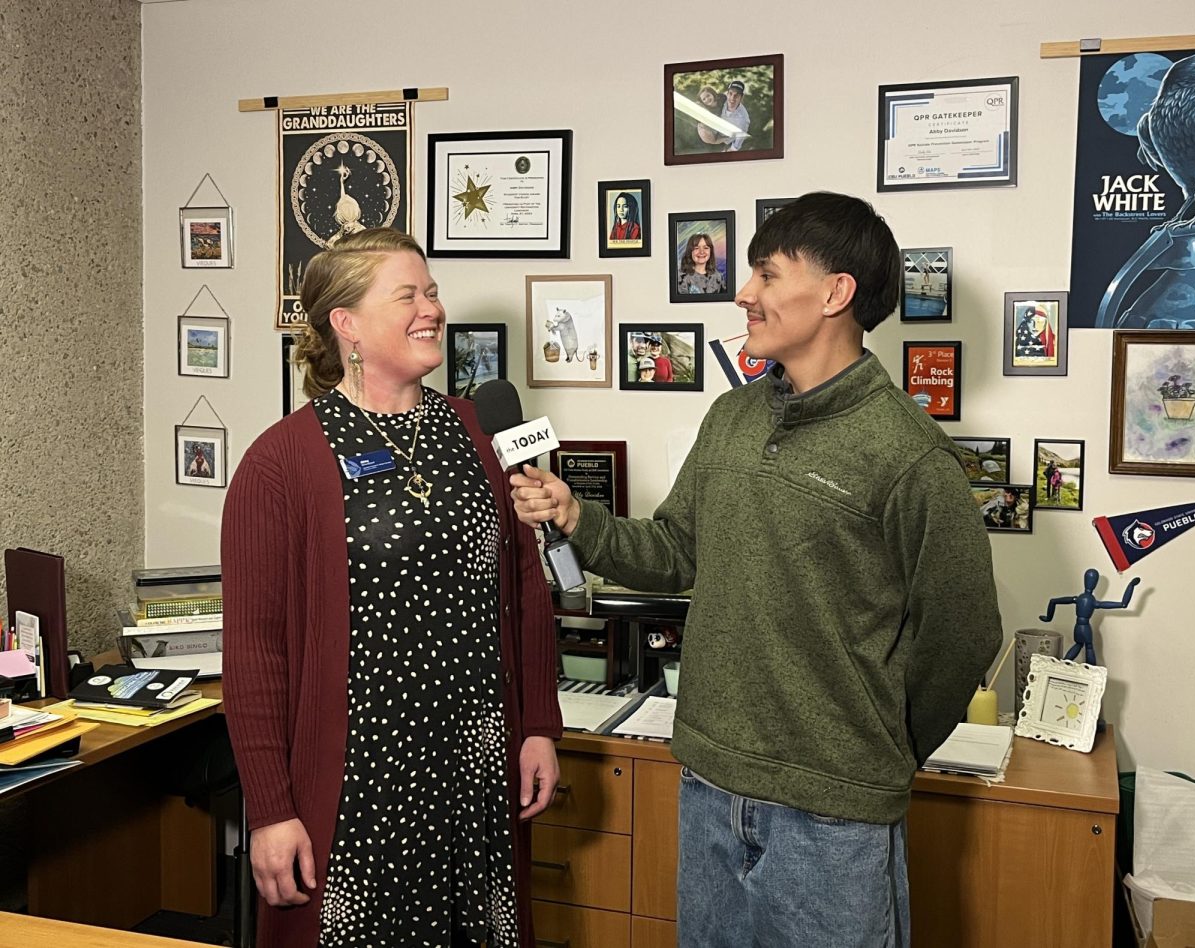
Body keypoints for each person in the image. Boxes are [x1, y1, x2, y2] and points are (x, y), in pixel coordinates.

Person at [510, 191, 1002, 945]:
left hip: (833, 821)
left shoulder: (908, 453)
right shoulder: (732, 418)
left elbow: (965, 632)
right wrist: (579, 518)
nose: (744, 294)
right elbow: (676, 551)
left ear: (836, 292)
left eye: (768, 276)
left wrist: (876, 751)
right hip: (709, 782)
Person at [221, 227, 562, 948]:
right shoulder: (281, 463)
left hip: (474, 775)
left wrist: (537, 726)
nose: (430, 308)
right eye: (407, 294)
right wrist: (272, 809)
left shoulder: (479, 431)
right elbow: (253, 653)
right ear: (345, 325)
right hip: (356, 789)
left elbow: (526, 589)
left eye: (432, 291)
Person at [717, 79, 751, 151]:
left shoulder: (743, 119)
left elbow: (736, 146)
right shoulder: (721, 100)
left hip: (725, 143)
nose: (732, 98)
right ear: (727, 93)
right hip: (714, 133)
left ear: (741, 97)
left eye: (736, 95)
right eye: (730, 93)